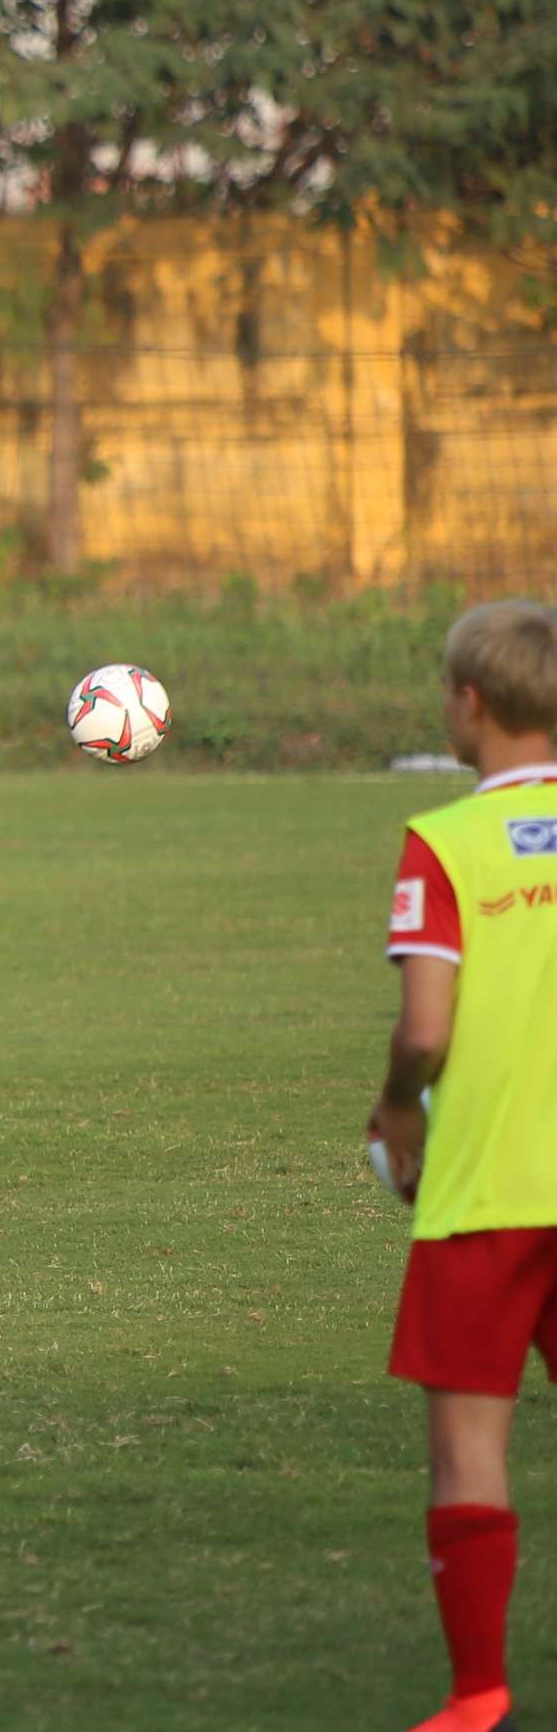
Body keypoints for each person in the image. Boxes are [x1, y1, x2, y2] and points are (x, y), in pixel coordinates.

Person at [371, 598, 557, 1732]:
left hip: (485, 1192)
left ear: (467, 703)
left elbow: (427, 1030)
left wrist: (398, 1107)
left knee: (469, 1452)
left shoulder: (446, 842)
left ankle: (479, 1695)